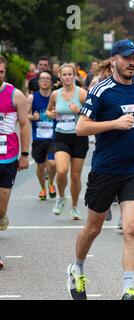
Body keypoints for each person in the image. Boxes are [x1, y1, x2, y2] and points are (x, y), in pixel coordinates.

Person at [67, 39, 134, 300]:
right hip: (105, 169)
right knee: (93, 228)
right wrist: (113, 123)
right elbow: (81, 128)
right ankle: (77, 268)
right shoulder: (101, 90)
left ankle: (128, 289)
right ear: (114, 61)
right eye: (127, 58)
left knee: (132, 228)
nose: (133, 63)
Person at [46, 64, 89, 220]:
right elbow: (48, 111)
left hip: (79, 137)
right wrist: (52, 115)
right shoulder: (55, 94)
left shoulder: (82, 93)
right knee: (62, 170)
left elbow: (94, 112)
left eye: (70, 74)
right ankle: (61, 197)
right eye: (64, 75)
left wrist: (80, 111)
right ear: (60, 76)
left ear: (74, 75)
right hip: (61, 136)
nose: (67, 77)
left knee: (76, 176)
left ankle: (75, 207)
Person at [0, 55, 31, 269]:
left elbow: (24, 125)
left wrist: (25, 154)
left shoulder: (15, 95)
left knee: (1, 201)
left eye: (1, 72)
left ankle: (2, 214)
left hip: (7, 155)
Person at [27, 70, 57, 200]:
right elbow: (24, 116)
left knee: (52, 163)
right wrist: (32, 117)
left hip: (53, 137)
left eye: (47, 79)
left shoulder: (56, 96)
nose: (45, 80)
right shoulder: (32, 98)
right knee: (40, 166)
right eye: (42, 78)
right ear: (38, 82)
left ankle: (51, 183)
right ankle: (43, 188)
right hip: (38, 137)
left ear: (51, 82)